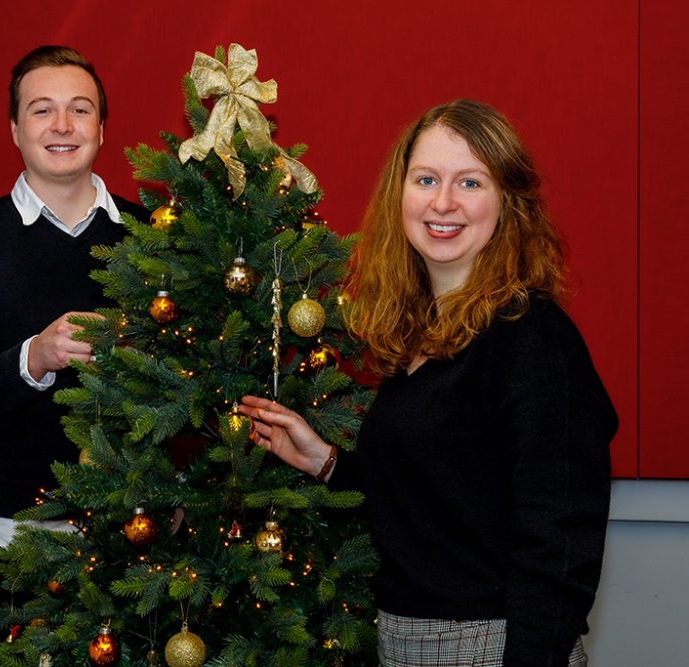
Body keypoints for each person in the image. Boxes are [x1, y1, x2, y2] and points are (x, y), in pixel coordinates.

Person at [239, 99, 617, 667]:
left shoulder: (531, 338)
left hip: (493, 647)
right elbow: (446, 509)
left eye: (470, 182)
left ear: (507, 202)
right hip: (409, 640)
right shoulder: (423, 333)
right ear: (401, 194)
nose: (443, 203)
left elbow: (558, 544)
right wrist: (327, 464)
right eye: (426, 179)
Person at [0, 45, 147, 658]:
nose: (62, 126)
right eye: (42, 110)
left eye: (80, 110)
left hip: (140, 537)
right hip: (19, 543)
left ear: (102, 129)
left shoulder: (151, 236)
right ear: (15, 130)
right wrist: (36, 356)